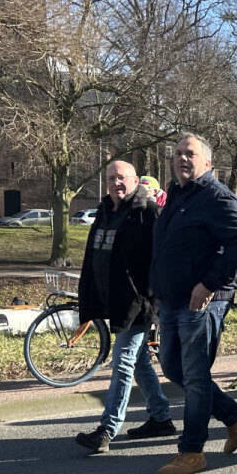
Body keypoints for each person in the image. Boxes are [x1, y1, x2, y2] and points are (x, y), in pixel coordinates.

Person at [151, 134, 237, 474]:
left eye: (191, 154)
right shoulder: (178, 195)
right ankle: (234, 414)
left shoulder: (216, 196)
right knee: (172, 367)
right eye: (178, 153)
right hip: (171, 301)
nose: (183, 158)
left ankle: (192, 451)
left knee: (196, 376)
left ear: (208, 162)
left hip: (202, 302)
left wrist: (209, 284)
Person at [74, 160, 171, 453]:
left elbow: (162, 259)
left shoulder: (148, 213)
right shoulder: (105, 211)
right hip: (114, 301)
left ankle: (107, 429)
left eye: (122, 178)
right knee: (138, 360)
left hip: (138, 303)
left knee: (123, 360)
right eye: (111, 178)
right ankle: (161, 417)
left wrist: (152, 297)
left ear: (134, 181)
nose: (116, 183)